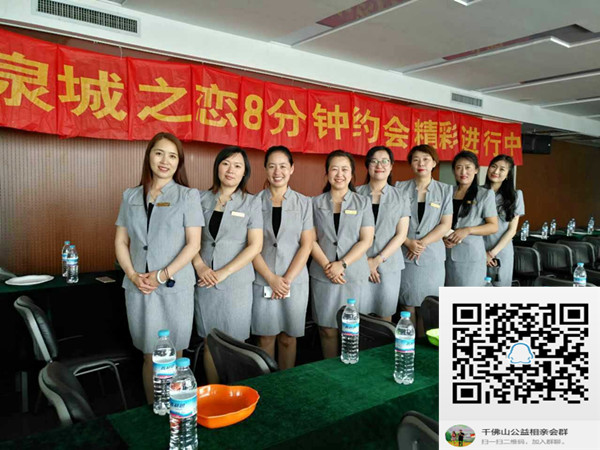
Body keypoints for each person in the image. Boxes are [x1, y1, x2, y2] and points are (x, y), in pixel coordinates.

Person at [115, 132, 203, 403]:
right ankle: (155, 410)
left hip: (174, 287)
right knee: (149, 355)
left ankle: (178, 409)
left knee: (175, 355)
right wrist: (133, 275)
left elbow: (193, 244)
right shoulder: (130, 195)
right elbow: (121, 241)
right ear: (149, 156)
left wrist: (162, 275)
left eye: (172, 156)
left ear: (179, 163)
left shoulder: (188, 195)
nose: (165, 161)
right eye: (159, 153)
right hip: (140, 286)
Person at [193, 146, 263, 383]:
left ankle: (235, 393)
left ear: (245, 172)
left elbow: (255, 245)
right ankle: (215, 393)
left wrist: (224, 272)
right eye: (225, 163)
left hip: (236, 284)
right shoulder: (199, 198)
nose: (230, 170)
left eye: (237, 166)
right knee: (209, 341)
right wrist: (200, 266)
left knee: (236, 344)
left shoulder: (251, 203)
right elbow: (190, 240)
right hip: (205, 280)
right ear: (217, 168)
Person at [251, 146, 315, 369]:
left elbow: (307, 244)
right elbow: (251, 247)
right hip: (263, 278)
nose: (277, 172)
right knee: (265, 337)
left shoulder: (304, 202)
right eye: (272, 166)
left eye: (283, 166)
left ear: (292, 169)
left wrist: (285, 280)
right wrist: (271, 279)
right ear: (265, 169)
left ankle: (287, 383)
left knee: (289, 337)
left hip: (294, 281)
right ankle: (267, 384)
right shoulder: (253, 202)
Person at [310, 150, 374, 359]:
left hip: (353, 275)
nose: (339, 174)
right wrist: (328, 267)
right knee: (326, 328)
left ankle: (353, 369)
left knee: (352, 330)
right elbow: (310, 239)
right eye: (334, 169)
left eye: (345, 169)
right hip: (323, 274)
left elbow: (366, 239)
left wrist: (342, 264)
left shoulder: (363, 202)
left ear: (352, 174)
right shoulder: (314, 203)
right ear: (327, 173)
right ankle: (330, 371)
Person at [396, 145, 452, 336]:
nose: (421, 163)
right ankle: (407, 343)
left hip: (432, 257)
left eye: (426, 159)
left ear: (434, 163)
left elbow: (445, 224)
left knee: (427, 307)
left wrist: (422, 243)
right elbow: (393, 221)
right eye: (416, 159)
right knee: (407, 305)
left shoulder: (445, 190)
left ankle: (422, 344)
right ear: (411, 164)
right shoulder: (400, 188)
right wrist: (408, 242)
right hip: (405, 254)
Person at [356, 146, 409, 321]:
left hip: (389, 264)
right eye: (374, 161)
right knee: (358, 315)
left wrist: (377, 260)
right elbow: (349, 232)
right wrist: (365, 262)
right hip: (358, 263)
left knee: (385, 316)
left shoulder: (401, 196)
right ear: (367, 166)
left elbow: (401, 235)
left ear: (391, 166)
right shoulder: (355, 193)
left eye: (385, 161)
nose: (380, 165)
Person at [444, 151, 498, 286]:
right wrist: (443, 237)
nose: (463, 172)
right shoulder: (447, 192)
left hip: (470, 257)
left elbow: (493, 226)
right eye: (459, 167)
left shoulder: (485, 194)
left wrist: (468, 230)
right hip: (444, 254)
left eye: (468, 167)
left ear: (476, 170)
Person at [483, 155, 525, 286]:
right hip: (478, 250)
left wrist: (492, 253)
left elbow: (512, 230)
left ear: (508, 174)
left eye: (502, 169)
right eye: (493, 166)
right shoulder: (478, 192)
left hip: (500, 251)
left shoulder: (515, 196)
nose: (496, 171)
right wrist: (483, 254)